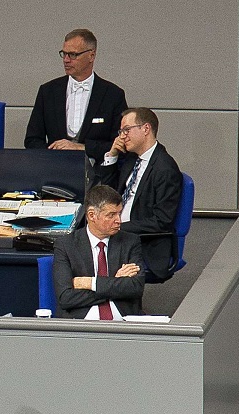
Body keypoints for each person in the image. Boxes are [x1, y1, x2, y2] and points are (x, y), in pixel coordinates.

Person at [92, 107, 184, 279]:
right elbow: (108, 195)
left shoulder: (165, 168)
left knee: (86, 253)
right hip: (118, 230)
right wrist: (112, 155)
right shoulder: (132, 159)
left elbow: (162, 221)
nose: (122, 136)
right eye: (121, 131)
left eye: (126, 130)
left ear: (146, 129)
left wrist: (118, 228)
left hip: (144, 241)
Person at [24, 29, 128, 161]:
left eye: (73, 54)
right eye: (64, 54)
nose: (66, 60)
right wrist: (54, 154)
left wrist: (82, 147)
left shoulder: (113, 95)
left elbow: (120, 144)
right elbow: (32, 140)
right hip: (54, 170)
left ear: (91, 56)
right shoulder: (48, 91)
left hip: (98, 173)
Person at [52, 185, 144, 320]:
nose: (119, 220)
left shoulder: (130, 242)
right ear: (92, 215)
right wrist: (115, 283)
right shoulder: (66, 245)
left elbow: (136, 287)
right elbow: (66, 298)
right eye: (111, 215)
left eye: (119, 213)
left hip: (123, 322)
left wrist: (91, 283)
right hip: (81, 324)